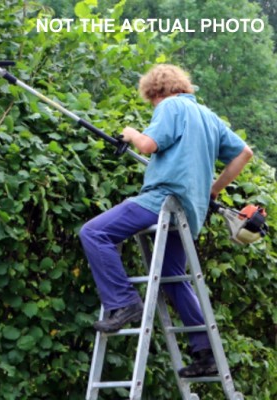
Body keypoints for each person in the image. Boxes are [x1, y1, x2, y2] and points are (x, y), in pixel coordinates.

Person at [78, 64, 253, 377]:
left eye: (151, 101)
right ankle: (206, 352)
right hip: (190, 209)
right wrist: (212, 190)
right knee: (173, 276)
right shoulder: (209, 117)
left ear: (156, 92)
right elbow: (245, 153)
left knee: (94, 233)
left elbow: (147, 145)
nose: (153, 106)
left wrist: (132, 134)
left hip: (162, 200)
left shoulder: (170, 106)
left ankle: (123, 302)